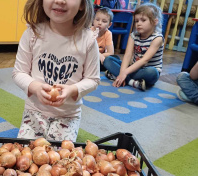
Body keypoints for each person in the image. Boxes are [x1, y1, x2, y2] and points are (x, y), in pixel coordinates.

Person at [12, 0, 100, 142]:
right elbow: (18, 72)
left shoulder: (88, 40)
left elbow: (93, 79)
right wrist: (35, 87)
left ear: (82, 4)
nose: (60, 1)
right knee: (27, 155)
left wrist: (72, 89)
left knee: (60, 159)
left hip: (68, 115)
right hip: (34, 111)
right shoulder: (32, 33)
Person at [103, 3, 164, 91]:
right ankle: (132, 82)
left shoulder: (157, 38)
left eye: (143, 20)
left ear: (155, 22)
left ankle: (116, 75)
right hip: (133, 68)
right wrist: (123, 72)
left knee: (152, 73)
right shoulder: (133, 36)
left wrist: (124, 73)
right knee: (108, 60)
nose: (138, 24)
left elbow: (144, 60)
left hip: (146, 71)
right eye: (136, 21)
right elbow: (127, 56)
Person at [91, 7, 115, 71]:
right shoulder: (89, 31)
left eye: (104, 21)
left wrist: (101, 55)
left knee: (113, 58)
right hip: (89, 57)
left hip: (100, 59)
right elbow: (84, 49)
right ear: (93, 20)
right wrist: (98, 54)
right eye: (97, 20)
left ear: (109, 25)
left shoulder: (108, 34)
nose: (100, 23)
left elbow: (111, 52)